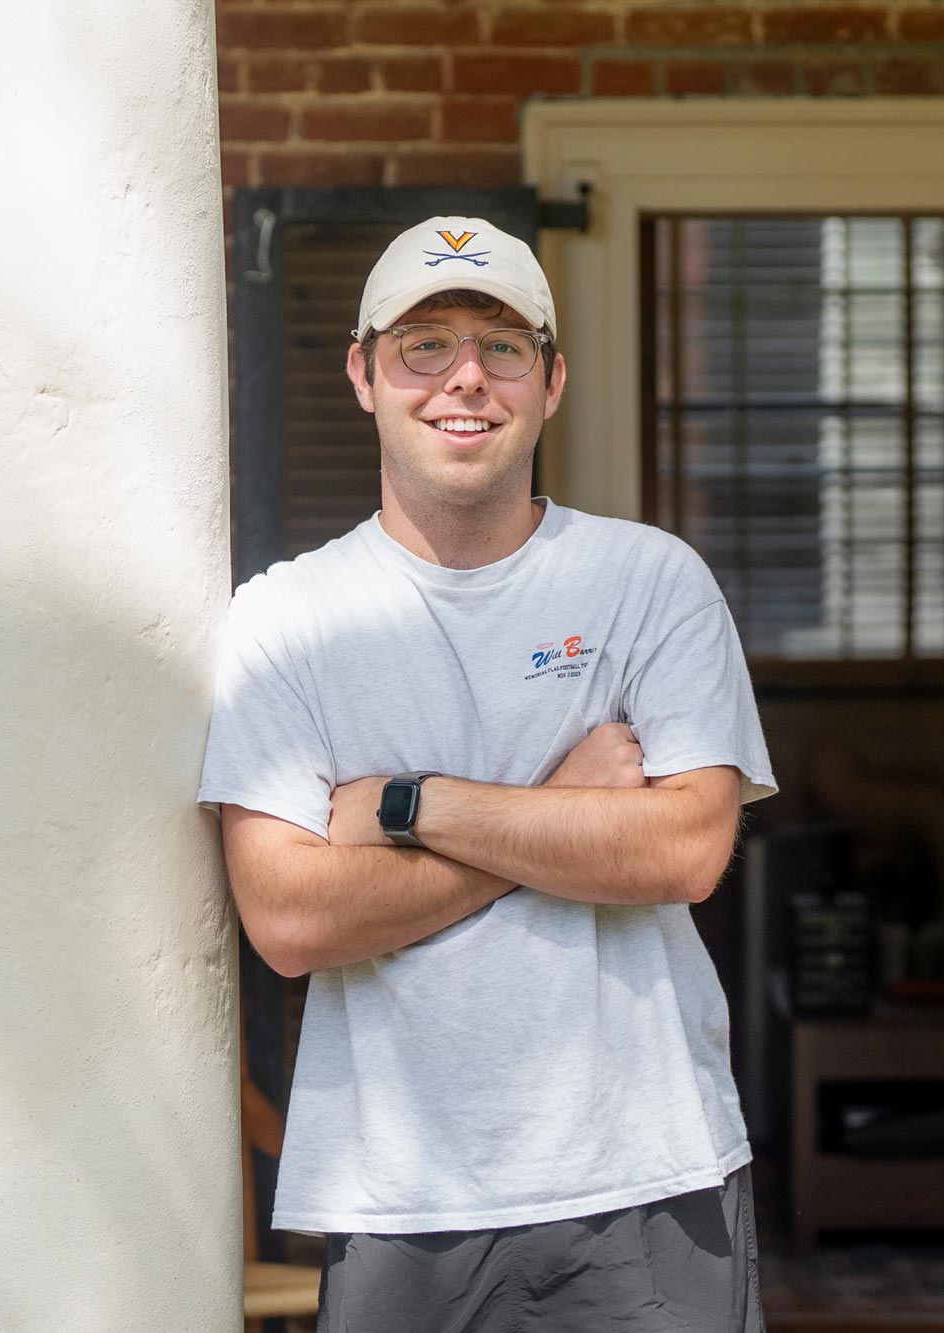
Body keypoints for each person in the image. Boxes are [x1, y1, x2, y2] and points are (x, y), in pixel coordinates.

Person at [196, 214, 776, 1332]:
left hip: (647, 1171)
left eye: (502, 346)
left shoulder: (648, 582)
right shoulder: (284, 619)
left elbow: (686, 848)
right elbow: (288, 917)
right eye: (425, 344)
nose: (466, 377)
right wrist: (566, 813)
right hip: (395, 1189)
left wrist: (409, 809)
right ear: (363, 372)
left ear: (551, 381)